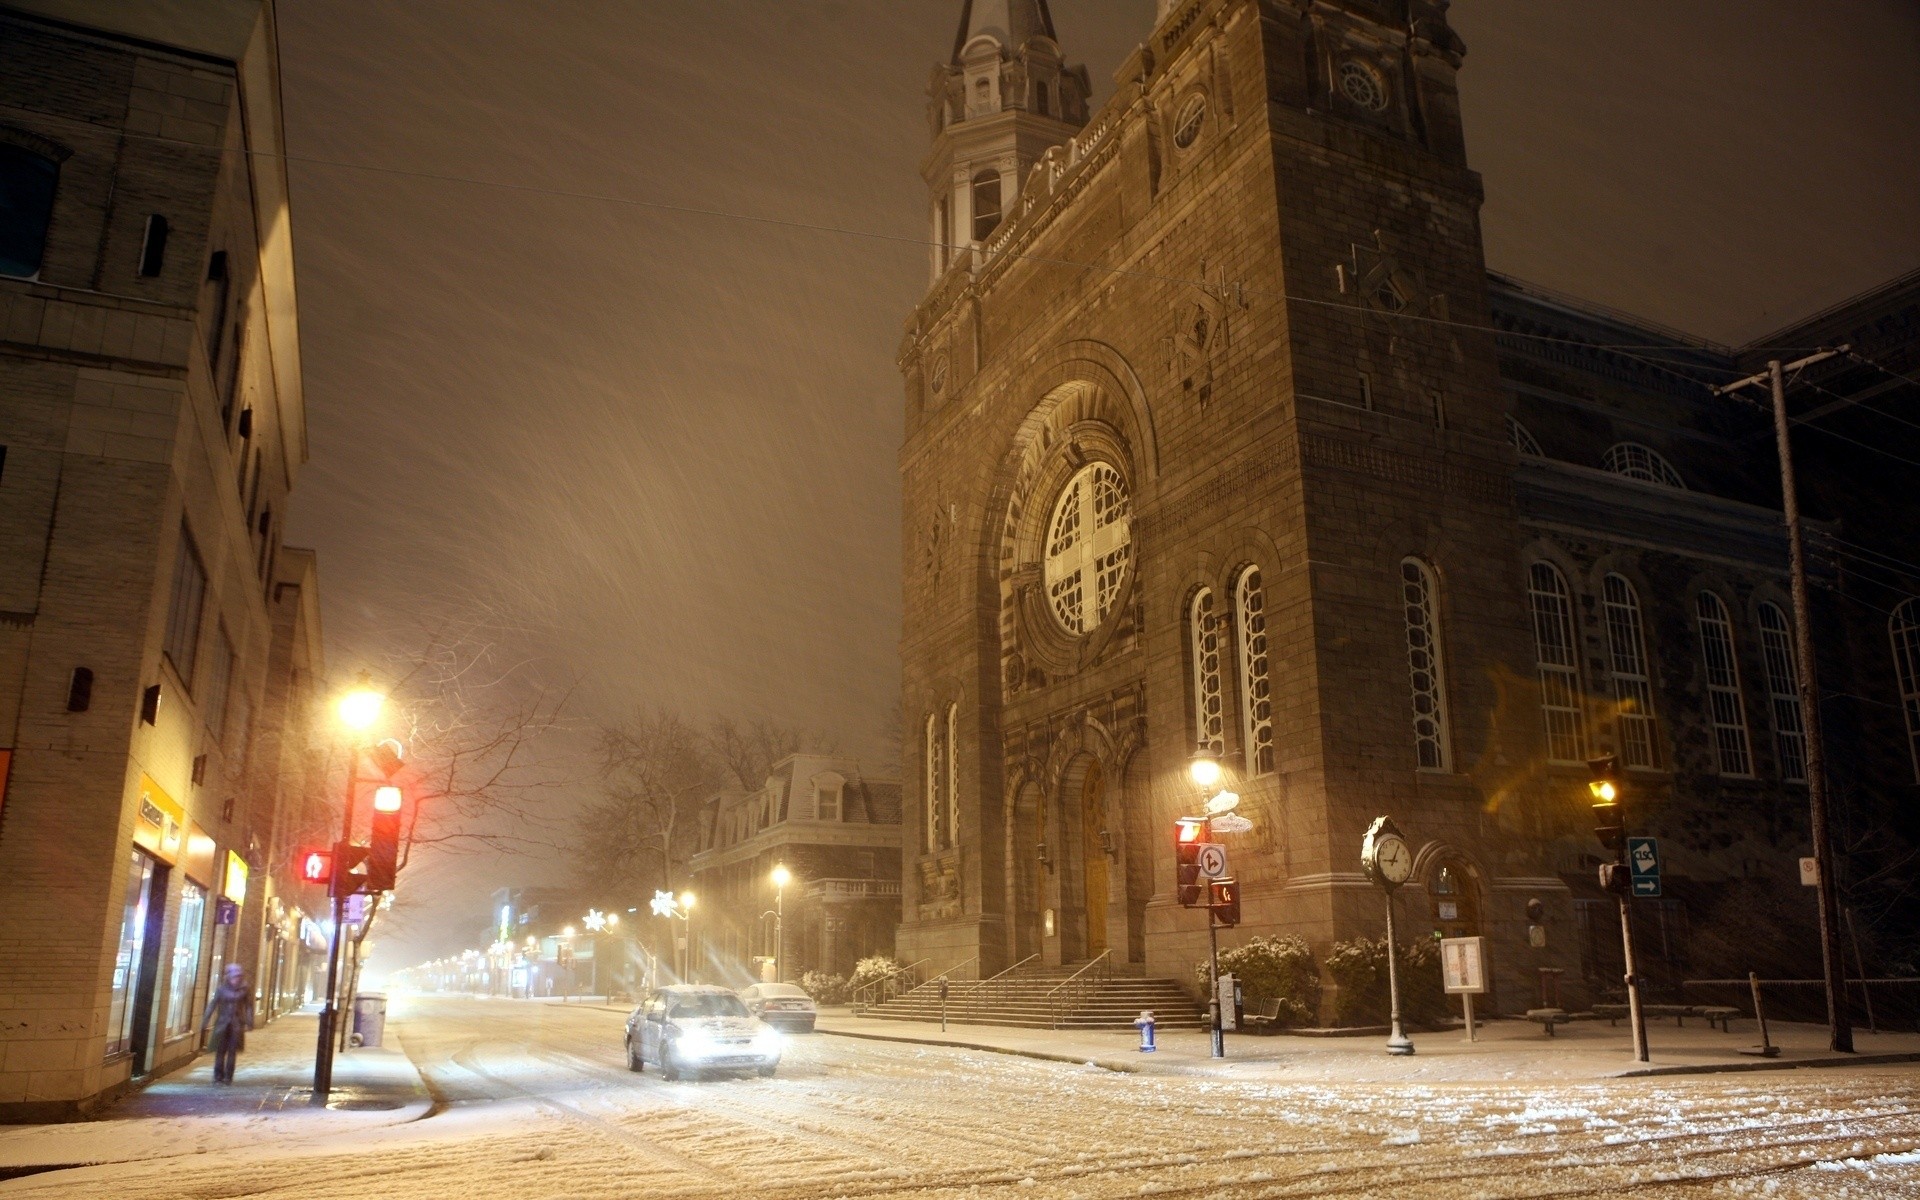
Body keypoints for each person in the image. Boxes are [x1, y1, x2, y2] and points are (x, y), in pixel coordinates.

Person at [201, 962, 255, 1085]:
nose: (236, 979)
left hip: (237, 1024)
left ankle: (228, 1077)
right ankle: (217, 1076)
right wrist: (205, 1020)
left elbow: (249, 1006)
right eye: (234, 976)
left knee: (232, 1051)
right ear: (229, 977)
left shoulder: (245, 989)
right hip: (222, 1024)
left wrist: (249, 1021)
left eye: (238, 976)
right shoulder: (221, 989)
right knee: (220, 1051)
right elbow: (213, 1004)